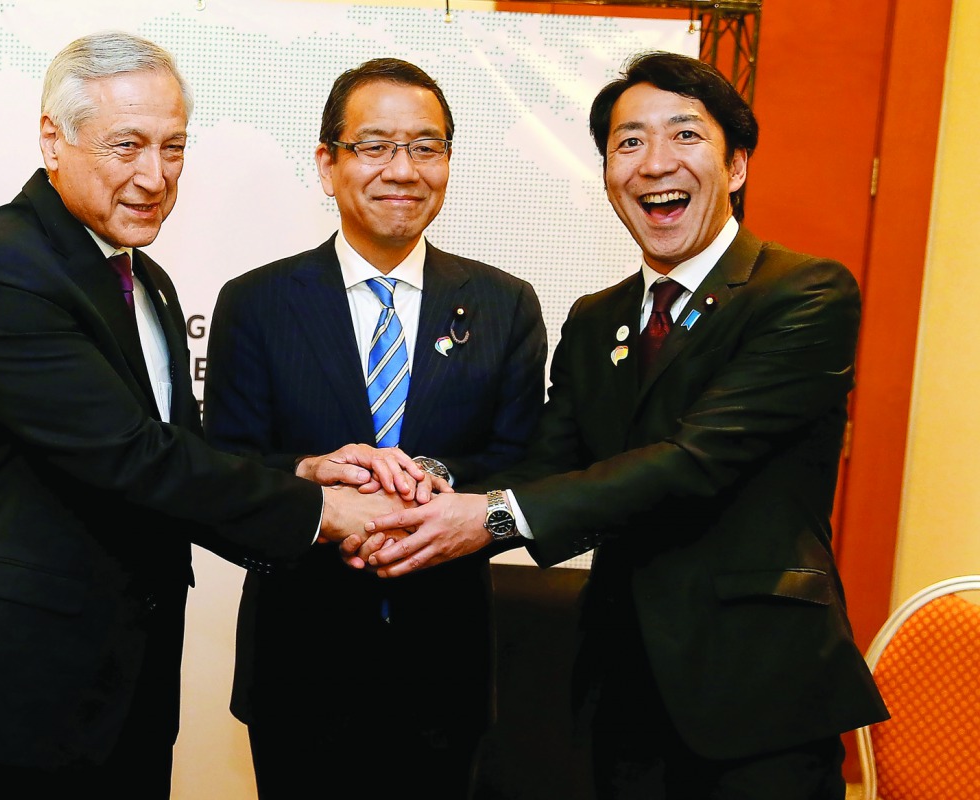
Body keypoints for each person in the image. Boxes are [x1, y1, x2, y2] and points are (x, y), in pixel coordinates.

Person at [357, 51, 889, 799]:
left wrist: (489, 518)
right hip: (621, 695)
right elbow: (548, 465)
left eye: (685, 136)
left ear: (736, 165)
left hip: (759, 702)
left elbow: (692, 461)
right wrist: (430, 494)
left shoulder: (802, 294)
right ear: (607, 174)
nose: (654, 163)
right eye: (629, 142)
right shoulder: (596, 318)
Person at [0, 32, 406, 800]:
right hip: (16, 699)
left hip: (124, 688)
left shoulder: (143, 276)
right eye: (126, 145)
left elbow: (177, 449)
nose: (154, 176)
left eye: (174, 148)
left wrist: (298, 469)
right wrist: (323, 510)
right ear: (53, 139)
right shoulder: (6, 268)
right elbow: (132, 458)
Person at [202, 58, 547, 799]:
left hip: (445, 668)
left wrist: (437, 486)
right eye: (375, 146)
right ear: (328, 163)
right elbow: (225, 469)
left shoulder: (504, 304)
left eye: (426, 147)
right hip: (298, 662)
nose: (403, 170)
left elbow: (528, 464)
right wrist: (317, 482)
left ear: (449, 162)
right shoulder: (256, 304)